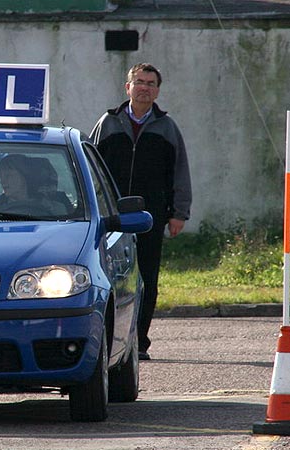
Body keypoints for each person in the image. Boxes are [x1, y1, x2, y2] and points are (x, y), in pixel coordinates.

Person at [90, 63, 192, 360]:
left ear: (157, 90)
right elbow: (92, 169)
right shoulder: (108, 123)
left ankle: (139, 342)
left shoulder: (167, 128)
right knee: (110, 279)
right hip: (112, 219)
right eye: (139, 82)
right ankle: (110, 341)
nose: (144, 87)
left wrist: (178, 213)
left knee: (145, 279)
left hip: (150, 218)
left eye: (150, 83)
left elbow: (180, 172)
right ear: (128, 87)